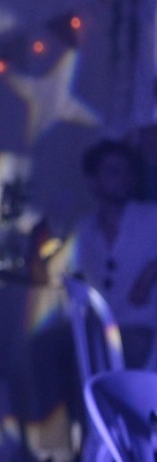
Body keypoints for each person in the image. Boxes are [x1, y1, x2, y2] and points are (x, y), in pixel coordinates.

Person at [70, 137, 157, 368]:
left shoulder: (150, 217)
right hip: (99, 330)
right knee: (46, 347)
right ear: (93, 181)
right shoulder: (85, 231)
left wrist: (150, 272)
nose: (123, 178)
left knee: (112, 352)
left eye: (127, 172)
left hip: (142, 328)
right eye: (113, 171)